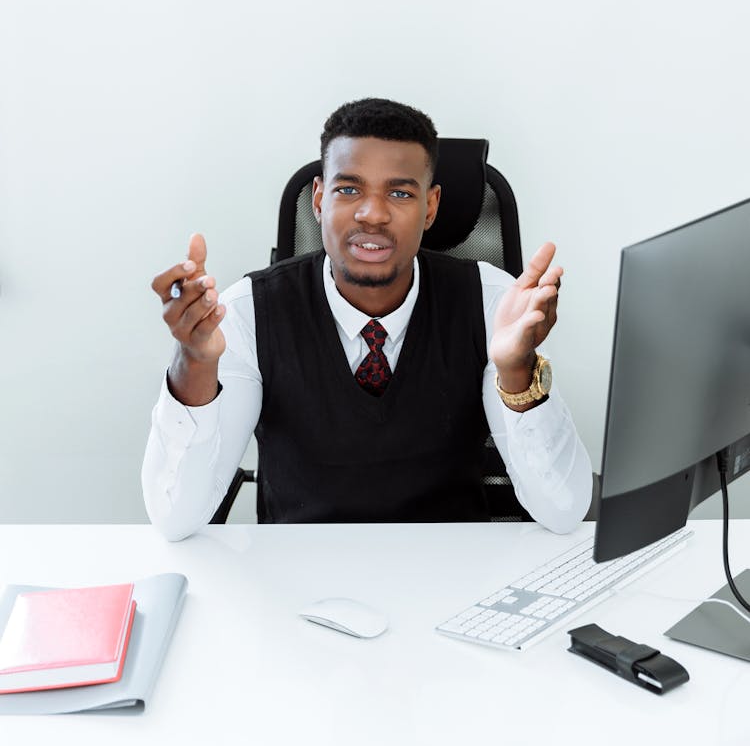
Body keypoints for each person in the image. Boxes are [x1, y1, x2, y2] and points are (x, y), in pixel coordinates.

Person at [142, 98, 592, 538]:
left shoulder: (492, 302)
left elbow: (565, 510)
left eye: (399, 193)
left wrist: (517, 372)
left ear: (431, 207)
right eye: (349, 189)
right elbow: (177, 518)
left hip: (452, 573)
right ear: (319, 199)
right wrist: (194, 362)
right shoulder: (248, 312)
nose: (372, 214)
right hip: (297, 580)